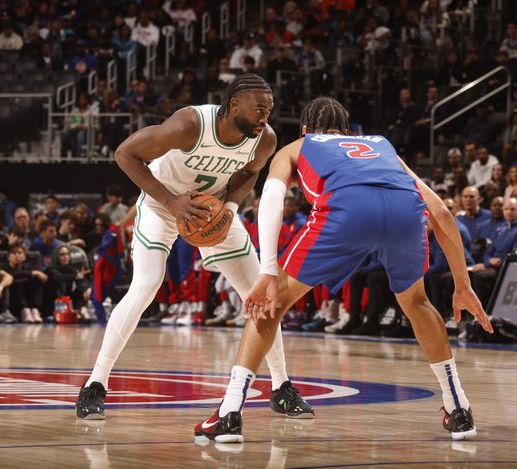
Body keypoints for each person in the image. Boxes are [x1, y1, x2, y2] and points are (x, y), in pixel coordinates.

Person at [194, 97, 491, 443]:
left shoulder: (299, 146)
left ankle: (229, 413)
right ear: (349, 132)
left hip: (346, 209)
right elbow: (439, 211)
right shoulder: (381, 146)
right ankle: (458, 409)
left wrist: (268, 272)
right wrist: (462, 283)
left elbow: (271, 199)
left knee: (269, 306)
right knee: (417, 303)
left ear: (306, 129)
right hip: (404, 213)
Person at [76, 74, 314, 421]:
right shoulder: (190, 124)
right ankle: (95, 384)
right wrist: (171, 202)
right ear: (234, 105)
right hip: (162, 204)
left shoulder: (265, 139)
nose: (266, 116)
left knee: (260, 294)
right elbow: (125, 154)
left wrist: (229, 210)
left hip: (212, 209)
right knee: (146, 286)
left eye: (270, 108)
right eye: (259, 108)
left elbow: (249, 173)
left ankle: (281, 387)